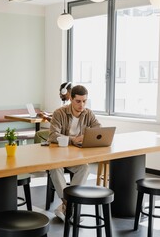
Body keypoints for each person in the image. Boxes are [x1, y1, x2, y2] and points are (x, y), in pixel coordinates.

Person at [48, 85, 101, 221]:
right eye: (78, 101)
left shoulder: (88, 113)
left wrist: (89, 136)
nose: (81, 105)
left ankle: (66, 206)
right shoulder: (59, 113)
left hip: (75, 156)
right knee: (55, 168)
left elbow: (98, 129)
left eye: (84, 101)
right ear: (71, 98)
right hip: (58, 154)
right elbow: (53, 135)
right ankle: (69, 204)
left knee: (85, 167)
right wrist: (73, 140)